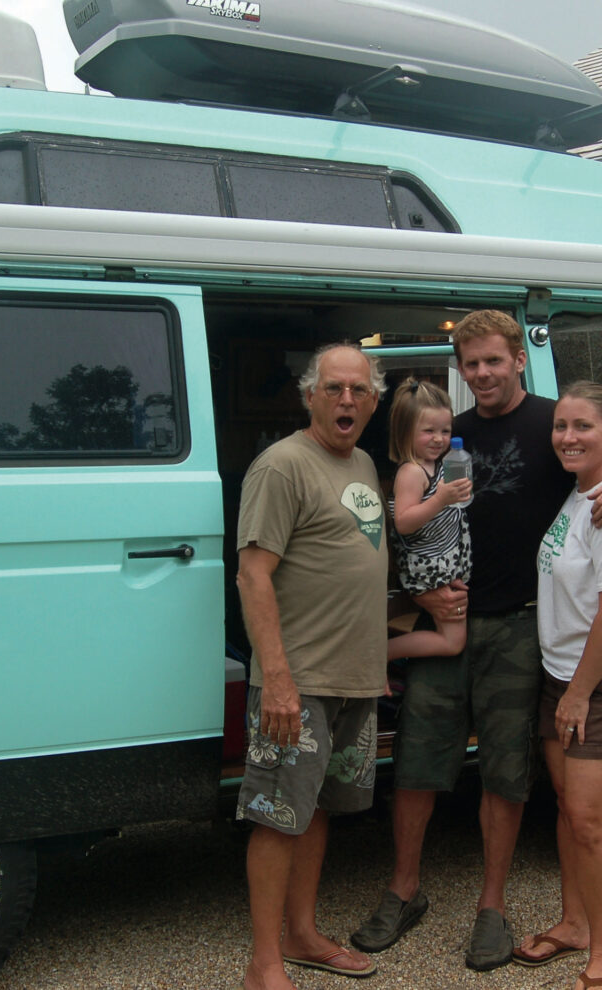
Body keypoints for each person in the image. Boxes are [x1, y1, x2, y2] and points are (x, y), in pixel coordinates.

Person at [352, 310, 602, 970]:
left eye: (494, 360)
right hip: (447, 624)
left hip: (523, 628)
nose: (483, 373)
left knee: (505, 773)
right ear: (459, 370)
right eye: (471, 364)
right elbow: (408, 532)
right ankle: (403, 891)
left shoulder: (559, 425)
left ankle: (491, 908)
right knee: (417, 762)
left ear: (519, 359)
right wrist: (416, 599)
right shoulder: (447, 434)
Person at [236, 343, 390, 990]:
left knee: (318, 810)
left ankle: (302, 934)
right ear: (309, 396)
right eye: (334, 388)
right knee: (278, 815)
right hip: (296, 684)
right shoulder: (281, 466)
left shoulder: (362, 463)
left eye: (358, 389)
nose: (347, 399)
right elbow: (253, 573)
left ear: (375, 400)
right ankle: (264, 964)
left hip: (353, 679)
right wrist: (276, 678)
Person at [511, 381, 602, 990]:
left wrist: (577, 694)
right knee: (570, 813)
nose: (568, 437)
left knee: (592, 822)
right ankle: (572, 923)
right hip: (562, 675)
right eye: (561, 427)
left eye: (583, 427)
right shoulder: (581, 493)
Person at [386, 378, 473, 661]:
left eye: (445, 430)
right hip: (427, 571)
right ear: (405, 432)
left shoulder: (436, 465)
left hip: (442, 568)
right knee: (452, 642)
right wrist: (440, 499)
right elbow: (404, 521)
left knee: (452, 639)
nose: (439, 438)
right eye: (429, 431)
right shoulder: (412, 471)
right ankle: (379, 656)